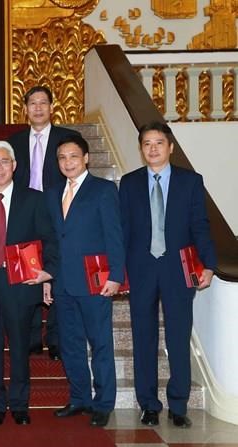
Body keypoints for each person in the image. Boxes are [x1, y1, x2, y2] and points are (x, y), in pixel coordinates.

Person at [120, 122, 216, 428]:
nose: (153, 149)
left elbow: (200, 226)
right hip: (141, 268)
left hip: (178, 270)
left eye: (158, 143)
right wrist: (119, 270)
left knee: (177, 337)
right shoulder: (130, 182)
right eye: (147, 143)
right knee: (143, 339)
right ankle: (148, 404)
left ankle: (178, 405)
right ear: (141, 148)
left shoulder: (190, 181)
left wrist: (209, 265)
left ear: (170, 147)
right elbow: (122, 230)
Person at [0, 141, 58, 426]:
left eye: (3, 162)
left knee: (20, 346)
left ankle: (20, 404)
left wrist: (47, 272)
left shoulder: (34, 199)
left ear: (14, 165)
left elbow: (49, 239)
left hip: (21, 283)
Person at [44, 135, 125, 427]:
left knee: (100, 343)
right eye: (63, 158)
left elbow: (115, 235)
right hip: (63, 282)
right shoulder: (52, 193)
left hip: (95, 281)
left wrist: (116, 275)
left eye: (73, 157)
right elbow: (52, 240)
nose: (68, 162)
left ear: (86, 158)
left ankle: (103, 403)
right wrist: (48, 278)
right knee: (70, 344)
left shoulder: (102, 190)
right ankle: (79, 398)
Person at [8, 85, 81, 359]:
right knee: (29, 271)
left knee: (56, 268)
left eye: (43, 103)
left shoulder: (68, 138)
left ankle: (56, 338)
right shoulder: (13, 141)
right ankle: (30, 337)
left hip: (58, 209)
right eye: (32, 103)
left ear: (52, 107)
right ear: (25, 109)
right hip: (25, 212)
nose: (37, 108)